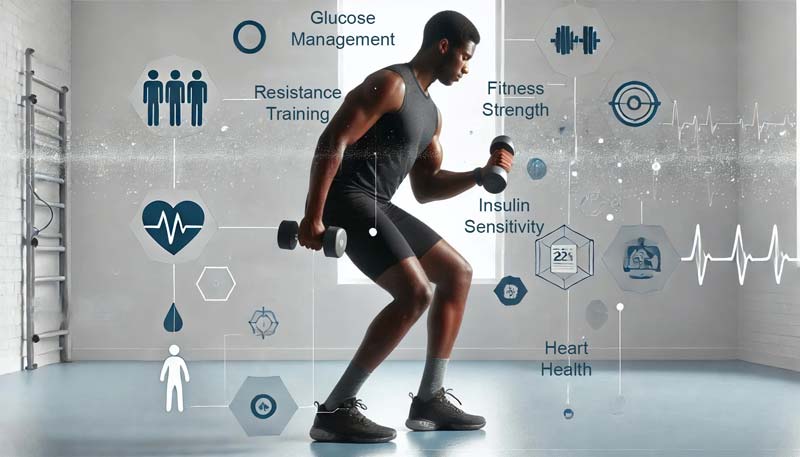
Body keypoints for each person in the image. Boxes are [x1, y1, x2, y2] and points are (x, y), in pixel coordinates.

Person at [299, 11, 513, 443]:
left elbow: (427, 188)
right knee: (416, 293)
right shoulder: (391, 84)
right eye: (465, 58)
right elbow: (332, 141)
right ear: (444, 47)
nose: (466, 68)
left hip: (379, 202)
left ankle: (430, 399)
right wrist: (314, 216)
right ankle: (335, 410)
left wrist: (478, 174)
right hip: (349, 201)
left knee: (458, 273)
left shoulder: (432, 116)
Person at [159, 344, 190, 412]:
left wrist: (162, 377)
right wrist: (186, 377)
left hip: (171, 379)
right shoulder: (179, 360)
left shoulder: (169, 360)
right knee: (179, 392)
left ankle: (169, 407)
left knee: (169, 392)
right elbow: (184, 369)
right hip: (176, 379)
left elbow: (164, 369)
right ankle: (179, 407)